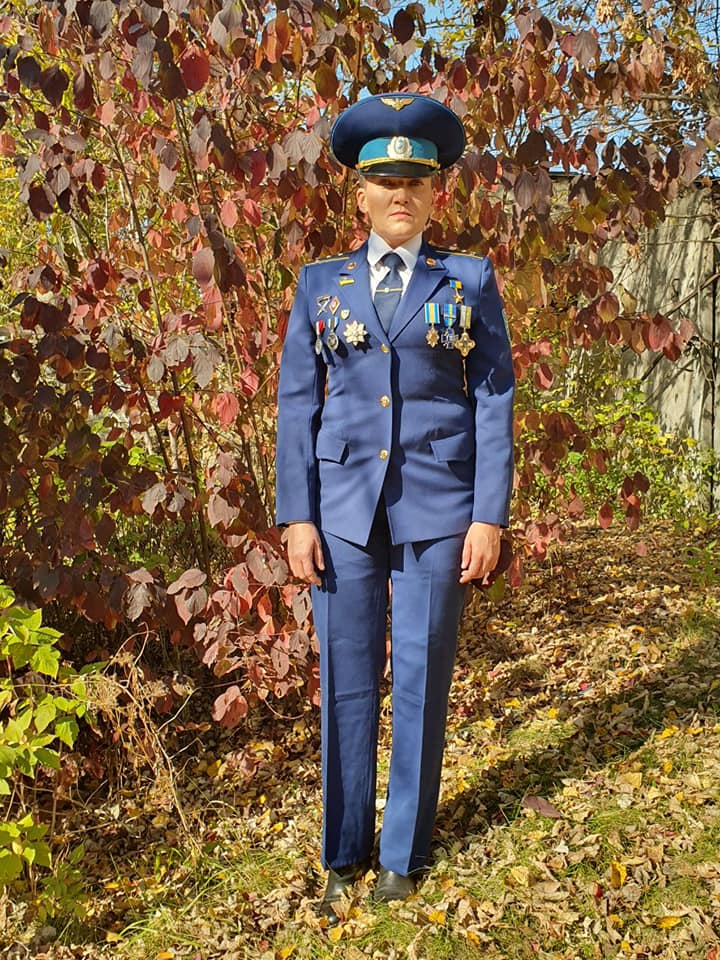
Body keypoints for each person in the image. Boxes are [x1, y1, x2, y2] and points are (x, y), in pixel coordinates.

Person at [275, 93, 514, 921]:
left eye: (415, 180)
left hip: (439, 510)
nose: (400, 194)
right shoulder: (321, 286)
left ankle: (402, 855)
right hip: (342, 512)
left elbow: (493, 401)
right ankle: (343, 853)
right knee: (346, 685)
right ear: (362, 195)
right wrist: (297, 515)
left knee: (419, 680)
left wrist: (488, 516)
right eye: (385, 181)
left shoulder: (469, 280)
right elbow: (296, 406)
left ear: (436, 192)